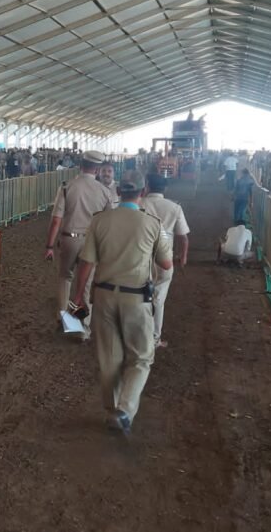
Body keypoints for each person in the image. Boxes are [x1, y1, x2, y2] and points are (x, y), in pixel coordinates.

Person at [70, 177, 173, 436]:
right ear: (144, 191)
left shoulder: (100, 221)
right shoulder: (152, 224)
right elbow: (166, 264)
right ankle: (125, 410)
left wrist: (78, 297)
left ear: (117, 191)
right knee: (140, 357)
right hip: (136, 298)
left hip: (103, 296)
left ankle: (111, 409)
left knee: (109, 358)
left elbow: (86, 263)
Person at [44, 150, 117, 330]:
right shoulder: (105, 192)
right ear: (98, 169)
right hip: (91, 242)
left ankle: (64, 320)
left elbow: (56, 220)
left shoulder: (66, 187)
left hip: (69, 238)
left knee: (65, 278)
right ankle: (82, 327)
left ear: (81, 165)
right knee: (85, 283)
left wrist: (49, 245)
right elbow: (109, 223)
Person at [142, 175, 189, 349]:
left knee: (139, 295)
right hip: (164, 256)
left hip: (141, 255)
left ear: (147, 186)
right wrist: (183, 258)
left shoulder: (140, 204)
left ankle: (137, 333)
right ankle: (155, 338)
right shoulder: (174, 207)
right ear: (165, 189)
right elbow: (183, 238)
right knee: (158, 298)